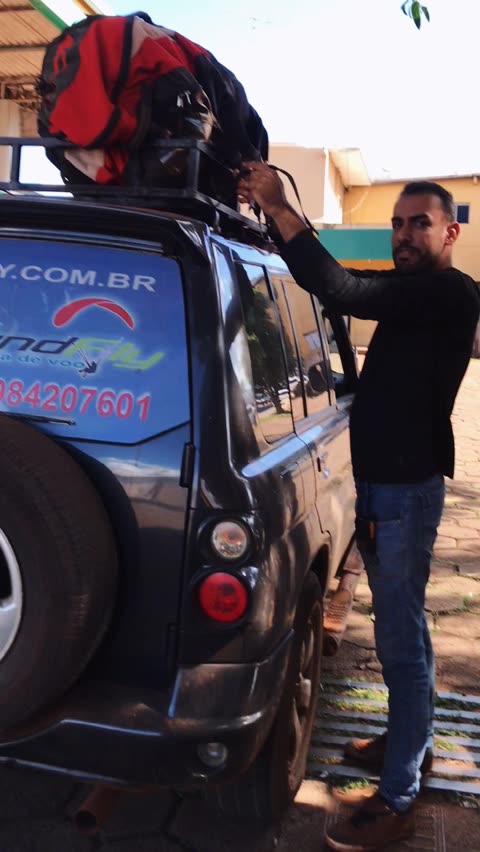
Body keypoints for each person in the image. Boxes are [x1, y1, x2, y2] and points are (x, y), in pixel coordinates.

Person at [238, 165, 480, 851]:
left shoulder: (449, 291)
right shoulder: (413, 290)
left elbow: (343, 290)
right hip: (385, 487)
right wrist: (287, 232)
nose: (404, 235)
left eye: (419, 224)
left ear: (450, 233)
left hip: (404, 492)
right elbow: (342, 282)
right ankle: (409, 743)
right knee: (402, 632)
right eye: (398, 224)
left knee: (402, 642)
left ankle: (400, 795)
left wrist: (281, 207)